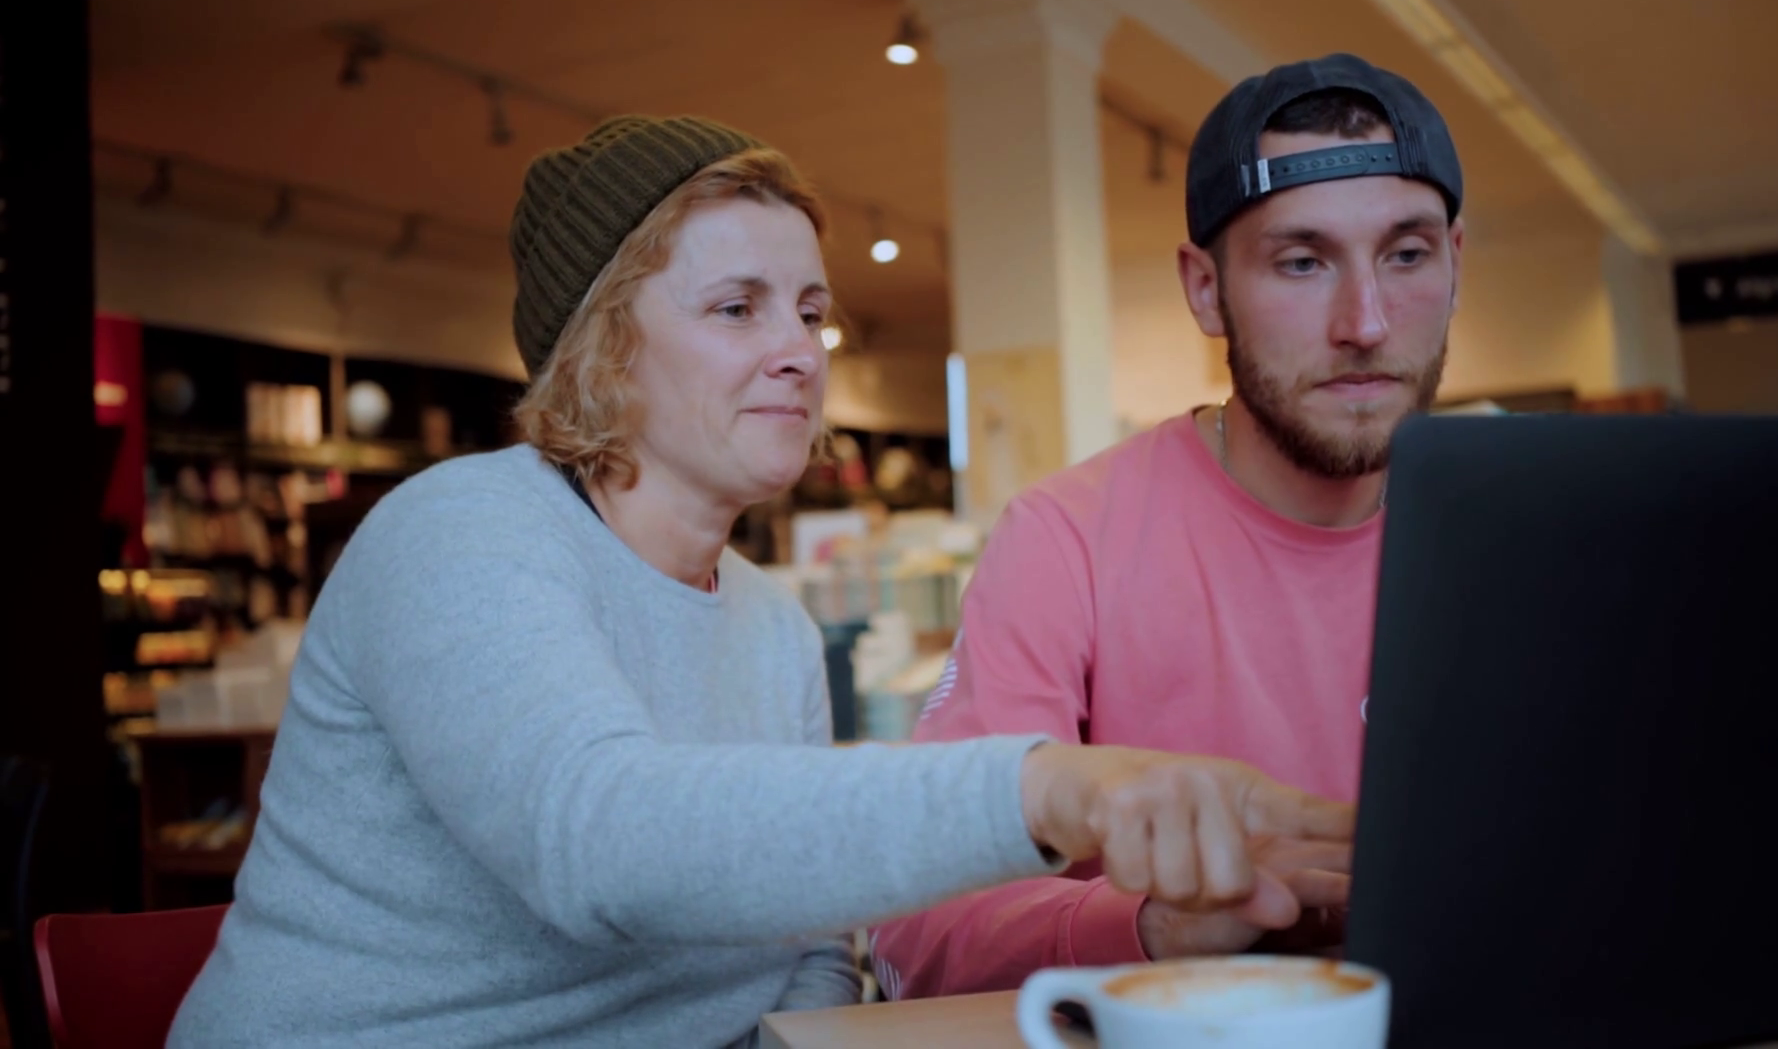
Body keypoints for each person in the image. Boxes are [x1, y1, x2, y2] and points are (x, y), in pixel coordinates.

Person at [166, 115, 1355, 1049]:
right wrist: (1046, 790)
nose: (798, 350)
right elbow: (601, 842)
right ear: (600, 348)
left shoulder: (773, 626)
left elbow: (806, 954)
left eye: (809, 312)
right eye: (737, 308)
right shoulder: (459, 533)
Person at [871, 53, 1464, 999]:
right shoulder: (1068, 541)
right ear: (1204, 289)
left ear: (1455, 261)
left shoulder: (1530, 545)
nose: (1366, 321)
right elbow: (916, 931)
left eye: (1406, 254)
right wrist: (1150, 925)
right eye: (1302, 261)